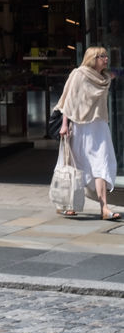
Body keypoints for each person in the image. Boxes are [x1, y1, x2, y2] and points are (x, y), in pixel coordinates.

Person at [57, 46, 120, 220]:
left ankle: (104, 208)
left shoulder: (105, 77)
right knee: (76, 166)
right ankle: (69, 204)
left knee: (101, 164)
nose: (105, 59)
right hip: (80, 125)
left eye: (106, 56)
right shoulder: (79, 74)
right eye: (101, 56)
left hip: (99, 126)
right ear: (92, 58)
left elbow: (117, 73)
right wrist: (64, 125)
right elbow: (68, 101)